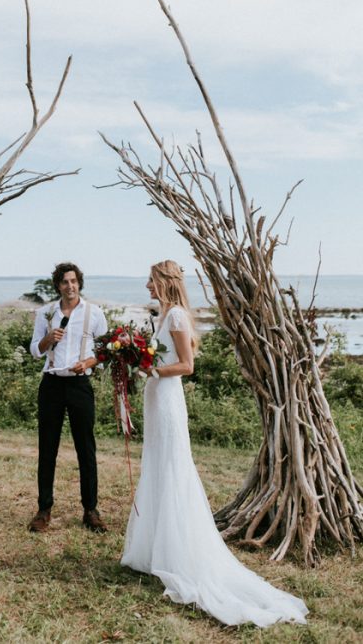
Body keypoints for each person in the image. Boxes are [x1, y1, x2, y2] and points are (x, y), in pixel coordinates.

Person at [121, 260, 309, 627]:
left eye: (151, 279)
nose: (147, 285)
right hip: (158, 398)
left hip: (168, 396)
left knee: (173, 469)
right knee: (158, 467)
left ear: (165, 282)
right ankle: (157, 548)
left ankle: (178, 553)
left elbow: (187, 365)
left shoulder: (175, 316)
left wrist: (152, 370)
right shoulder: (164, 315)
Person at [28, 262, 108, 533]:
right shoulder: (45, 312)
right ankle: (43, 510)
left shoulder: (94, 313)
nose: (70, 286)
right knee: (47, 447)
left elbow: (105, 352)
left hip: (79, 385)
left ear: (79, 283)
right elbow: (34, 350)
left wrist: (87, 363)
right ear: (58, 285)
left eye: (74, 281)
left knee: (86, 448)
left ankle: (90, 509)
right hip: (51, 384)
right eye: (64, 282)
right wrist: (47, 339)